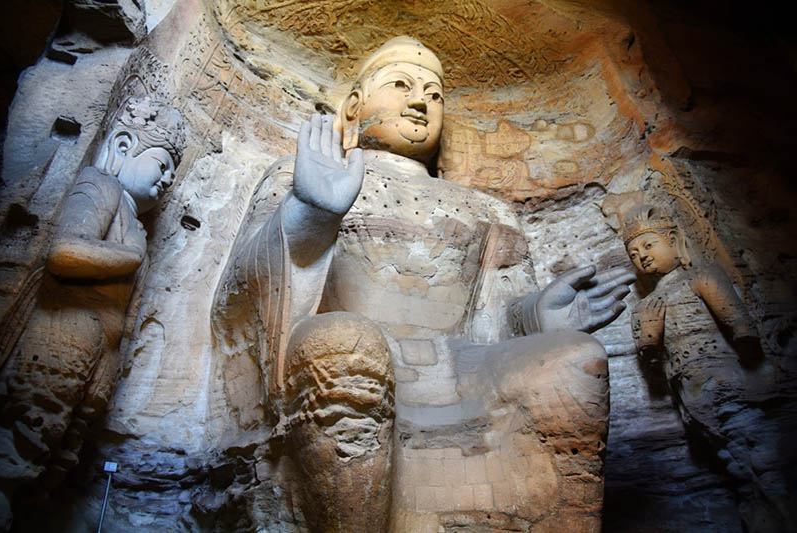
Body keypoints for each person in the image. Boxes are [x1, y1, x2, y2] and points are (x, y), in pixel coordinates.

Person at [212, 36, 634, 530]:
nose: (420, 102)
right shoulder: (300, 175)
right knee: (346, 344)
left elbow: (494, 317)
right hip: (356, 356)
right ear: (354, 107)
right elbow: (239, 301)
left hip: (461, 365)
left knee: (575, 360)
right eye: (400, 85)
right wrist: (309, 212)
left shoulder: (488, 209)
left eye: (434, 95)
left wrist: (538, 318)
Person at [0, 96, 184, 530]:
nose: (169, 179)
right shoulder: (99, 187)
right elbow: (65, 251)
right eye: (162, 164)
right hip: (55, 341)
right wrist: (130, 257)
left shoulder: (136, 228)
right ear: (122, 147)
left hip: (92, 359)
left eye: (173, 171)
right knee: (15, 448)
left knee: (44, 461)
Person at [623, 204, 793, 532]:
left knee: (767, 463)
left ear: (673, 240)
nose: (641, 256)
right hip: (693, 396)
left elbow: (741, 328)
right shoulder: (645, 307)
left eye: (648, 245)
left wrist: (744, 354)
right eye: (633, 253)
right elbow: (653, 368)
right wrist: (648, 338)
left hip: (730, 382)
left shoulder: (700, 277)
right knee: (738, 469)